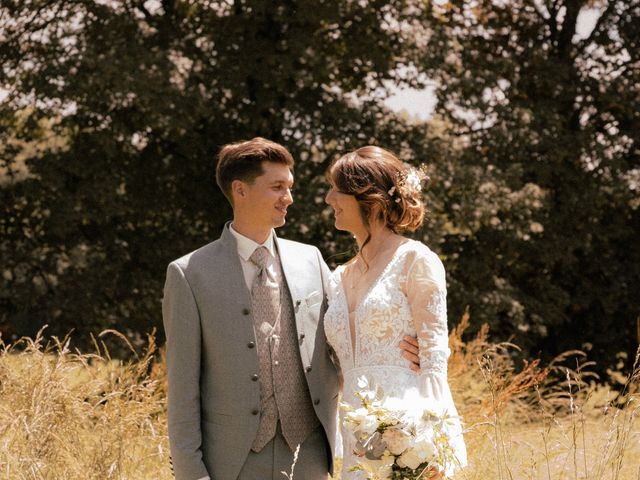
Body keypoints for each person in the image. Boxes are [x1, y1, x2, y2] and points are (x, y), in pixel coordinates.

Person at [162, 137, 420, 480]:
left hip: (310, 455)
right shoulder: (190, 273)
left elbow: (347, 330)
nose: (289, 198)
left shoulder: (310, 259)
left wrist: (406, 347)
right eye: (277, 187)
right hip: (230, 462)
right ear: (240, 190)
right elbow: (182, 391)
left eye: (290, 186)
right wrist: (192, 475)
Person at [324, 146, 467, 479]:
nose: (329, 197)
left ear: (368, 199)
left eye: (337, 189)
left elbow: (433, 359)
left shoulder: (415, 261)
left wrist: (431, 445)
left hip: (407, 430)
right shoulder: (336, 277)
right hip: (355, 434)